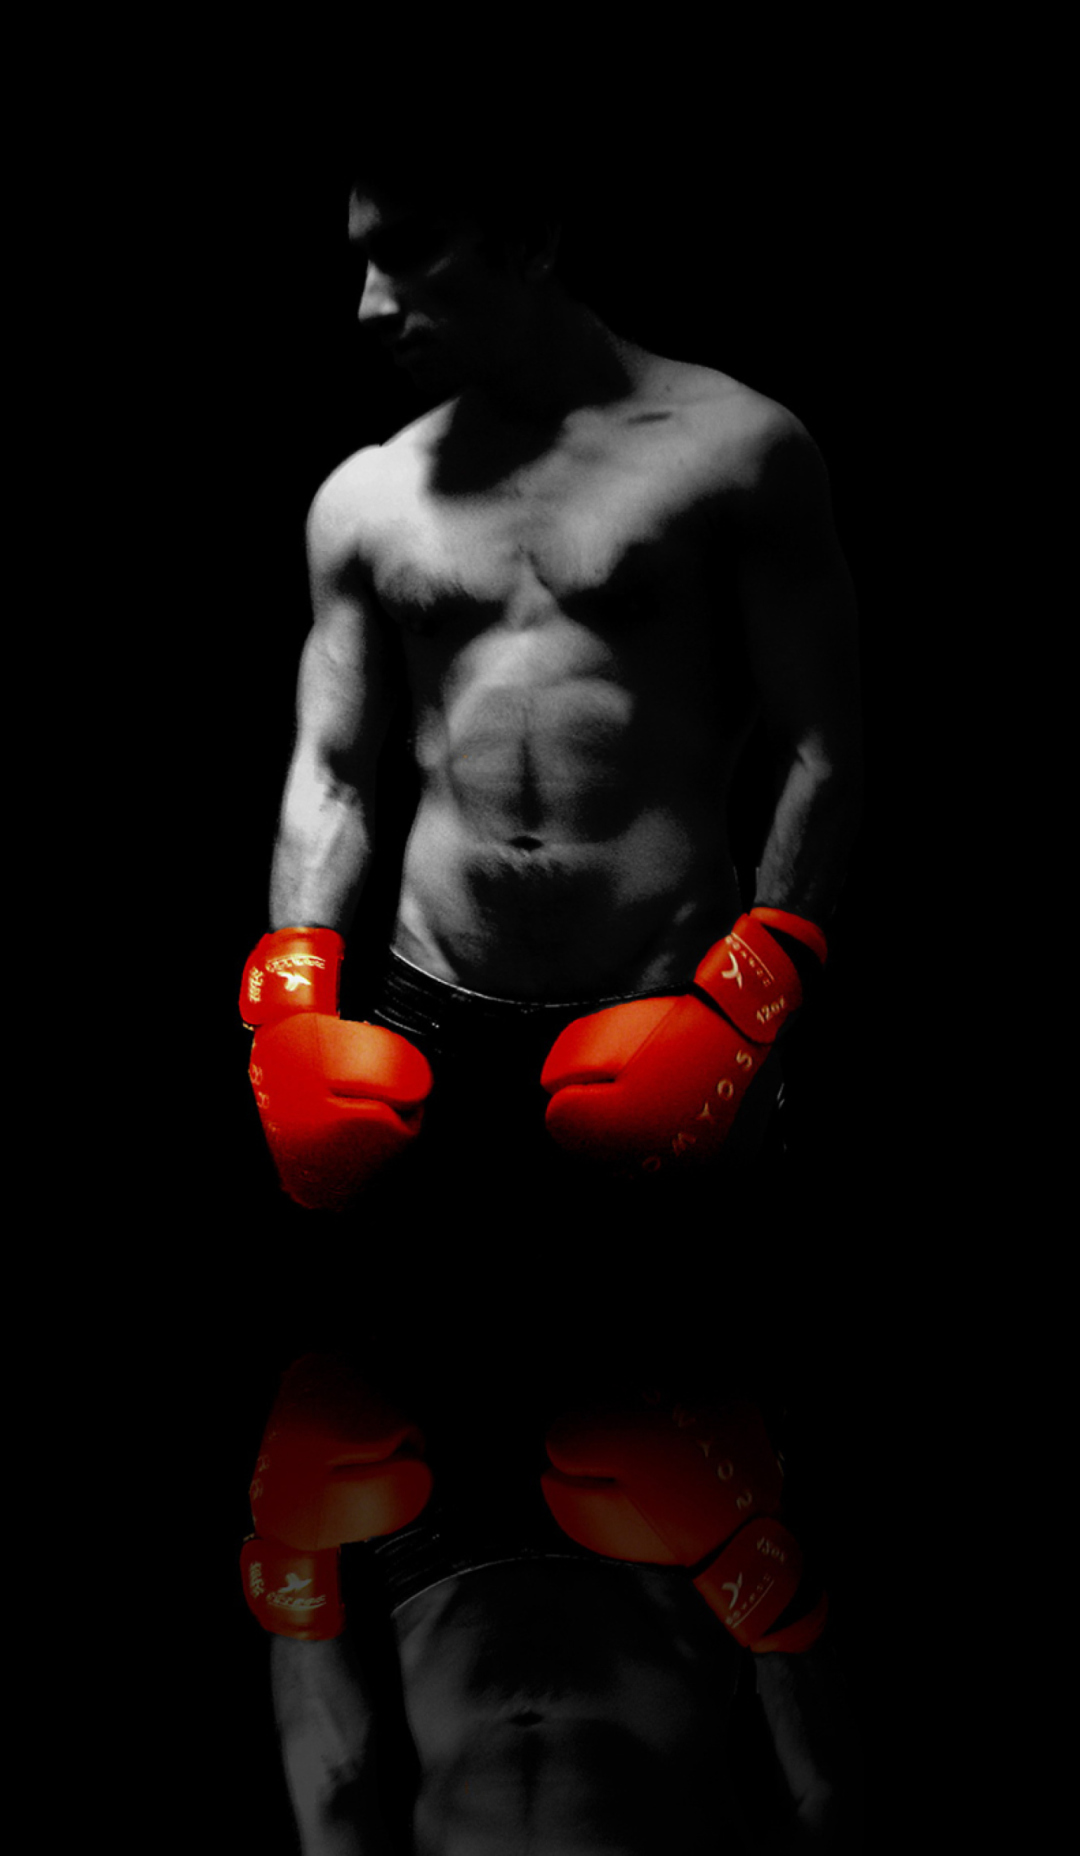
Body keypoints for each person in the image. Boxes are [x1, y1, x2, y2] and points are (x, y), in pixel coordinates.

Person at [238, 125, 865, 1851]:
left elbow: (829, 743)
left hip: (671, 1011)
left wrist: (750, 1007)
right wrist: (289, 1012)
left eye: (412, 252)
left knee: (706, 1443)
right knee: (358, 1431)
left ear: (529, 238)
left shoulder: (733, 451)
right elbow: (334, 775)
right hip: (425, 1032)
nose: (371, 303)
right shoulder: (366, 497)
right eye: (358, 255)